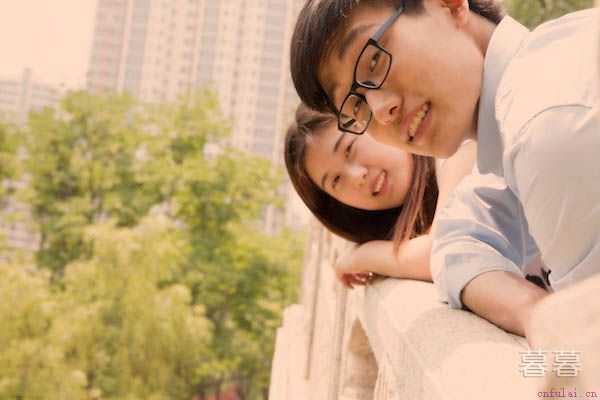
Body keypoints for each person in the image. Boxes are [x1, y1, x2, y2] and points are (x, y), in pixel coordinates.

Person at [289, 0, 599, 337]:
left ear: (449, 6)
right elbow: (454, 250)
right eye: (357, 105)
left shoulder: (543, 130)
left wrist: (544, 319)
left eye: (373, 62)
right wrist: (534, 312)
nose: (380, 110)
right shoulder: (511, 122)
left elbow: (585, 338)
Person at [285, 104, 548, 292]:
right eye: (336, 181)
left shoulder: (457, 148)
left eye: (349, 150)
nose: (357, 176)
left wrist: (361, 256)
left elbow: (445, 254)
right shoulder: (414, 220)